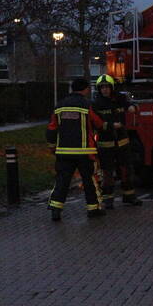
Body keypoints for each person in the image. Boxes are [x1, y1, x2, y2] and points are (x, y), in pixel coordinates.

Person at [46, 78, 104, 220]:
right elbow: (98, 123)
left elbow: (52, 128)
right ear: (84, 89)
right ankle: (93, 209)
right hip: (85, 152)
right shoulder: (87, 105)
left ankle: (55, 209)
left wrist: (52, 146)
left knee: (62, 181)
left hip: (64, 152)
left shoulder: (60, 105)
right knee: (89, 181)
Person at [92, 74, 142, 210]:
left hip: (122, 141)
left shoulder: (120, 98)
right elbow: (96, 123)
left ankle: (129, 196)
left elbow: (132, 105)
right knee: (107, 172)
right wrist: (110, 126)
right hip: (105, 143)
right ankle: (108, 200)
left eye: (107, 87)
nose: (104, 90)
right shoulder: (96, 103)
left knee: (126, 169)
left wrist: (134, 108)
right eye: (102, 87)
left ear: (112, 87)